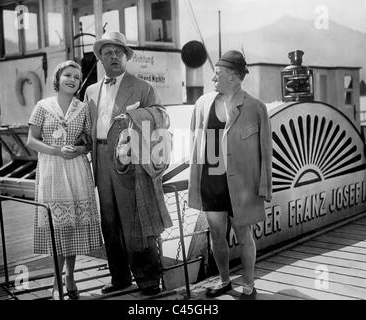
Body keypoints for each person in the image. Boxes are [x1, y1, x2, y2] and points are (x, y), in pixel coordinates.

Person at [84, 31, 172, 296]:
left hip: (129, 162)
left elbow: (163, 118)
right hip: (100, 159)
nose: (113, 57)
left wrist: (133, 116)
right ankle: (119, 277)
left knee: (136, 220)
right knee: (109, 222)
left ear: (126, 57)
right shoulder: (90, 91)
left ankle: (148, 281)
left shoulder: (143, 87)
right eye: (107, 52)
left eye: (118, 52)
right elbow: (88, 126)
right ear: (100, 58)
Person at [188, 50, 272, 299]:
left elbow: (266, 152)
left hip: (243, 185)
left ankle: (248, 284)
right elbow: (195, 140)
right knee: (216, 233)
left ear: (234, 78)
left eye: (218, 75)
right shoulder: (203, 103)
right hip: (211, 181)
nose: (213, 80)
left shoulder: (256, 107)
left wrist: (265, 187)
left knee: (244, 234)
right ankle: (224, 281)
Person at [27, 60, 103, 300]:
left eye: (77, 77)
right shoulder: (43, 105)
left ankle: (70, 276)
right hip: (52, 169)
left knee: (73, 228)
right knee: (56, 227)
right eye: (68, 75)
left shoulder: (82, 108)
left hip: (77, 170)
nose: (72, 80)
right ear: (58, 79)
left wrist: (79, 151)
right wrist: (56, 151)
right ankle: (55, 279)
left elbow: (89, 142)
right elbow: (31, 140)